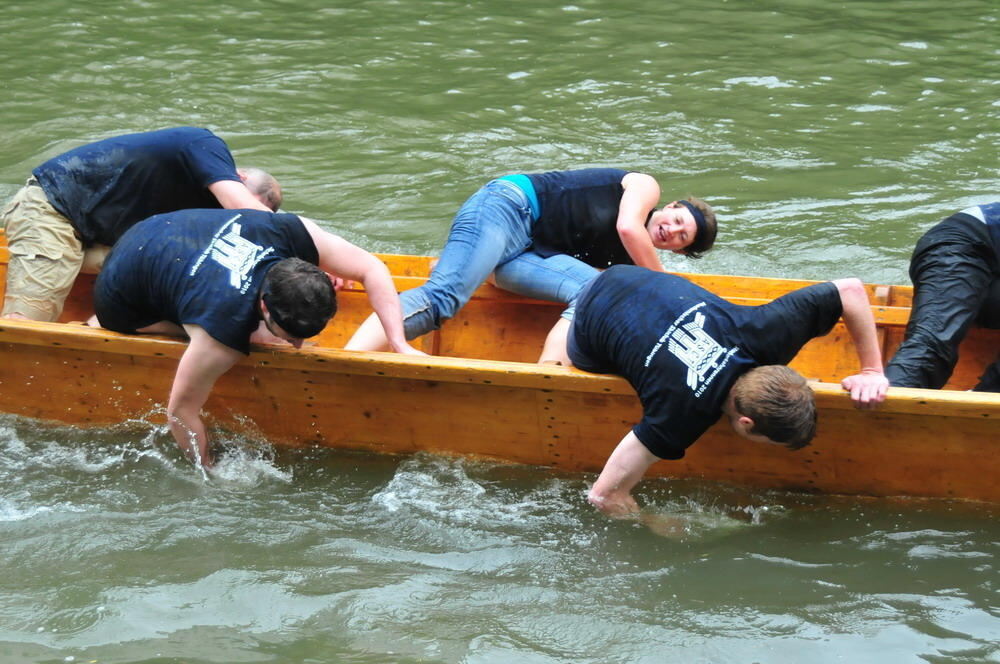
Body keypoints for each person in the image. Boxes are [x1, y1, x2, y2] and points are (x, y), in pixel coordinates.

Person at [90, 207, 423, 468]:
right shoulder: (222, 328)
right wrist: (207, 468)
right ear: (263, 304)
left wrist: (399, 344)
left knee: (262, 339)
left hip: (159, 228)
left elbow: (373, 269)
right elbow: (179, 411)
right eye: (290, 336)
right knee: (253, 344)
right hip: (121, 293)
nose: (295, 345)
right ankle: (96, 322)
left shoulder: (290, 230)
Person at [544, 265, 889, 516]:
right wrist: (655, 522)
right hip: (589, 312)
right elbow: (603, 496)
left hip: (629, 274)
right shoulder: (677, 415)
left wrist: (873, 371)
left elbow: (850, 291)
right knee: (597, 367)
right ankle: (565, 323)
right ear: (745, 423)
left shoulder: (764, 333)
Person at [346, 168, 717, 359]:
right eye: (678, 219)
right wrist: (665, 286)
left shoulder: (628, 260)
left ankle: (548, 375)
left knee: (595, 292)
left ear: (680, 252)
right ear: (670, 206)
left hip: (521, 251)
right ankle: (351, 357)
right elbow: (627, 227)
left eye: (681, 237)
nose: (672, 230)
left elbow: (574, 274)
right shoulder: (644, 188)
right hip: (509, 207)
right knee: (444, 300)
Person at [1, 126, 282, 322]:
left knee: (168, 269)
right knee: (28, 320)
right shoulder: (205, 145)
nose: (240, 220)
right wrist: (299, 248)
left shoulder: (210, 215)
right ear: (238, 178)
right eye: (250, 207)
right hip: (51, 209)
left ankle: (93, 328)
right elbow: (246, 211)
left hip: (92, 236)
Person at [885, 202, 1000, 392]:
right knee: (933, 339)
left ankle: (980, 403)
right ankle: (888, 405)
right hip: (966, 243)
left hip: (992, 283)